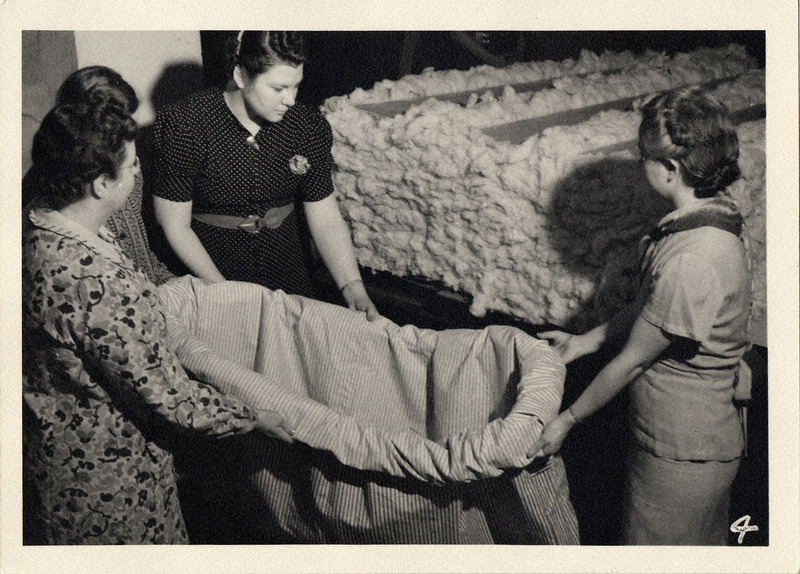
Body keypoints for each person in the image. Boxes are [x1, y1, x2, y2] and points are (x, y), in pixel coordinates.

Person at [22, 95, 295, 545]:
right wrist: (253, 417)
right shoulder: (93, 281)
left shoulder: (41, 226)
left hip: (61, 451)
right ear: (99, 184)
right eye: (130, 166)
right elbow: (170, 398)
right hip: (111, 482)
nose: (137, 173)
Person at [528, 86, 751, 545]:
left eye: (642, 156)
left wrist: (567, 420)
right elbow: (654, 310)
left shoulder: (693, 258)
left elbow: (635, 359)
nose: (639, 163)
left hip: (683, 451)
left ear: (670, 170)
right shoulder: (707, 218)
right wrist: (581, 342)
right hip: (688, 437)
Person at [152, 31, 378, 320]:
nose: (290, 100)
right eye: (278, 88)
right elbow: (174, 226)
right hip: (210, 268)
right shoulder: (186, 124)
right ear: (241, 75)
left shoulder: (307, 127)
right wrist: (225, 292)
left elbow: (325, 217)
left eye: (296, 86)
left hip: (287, 264)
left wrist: (352, 286)